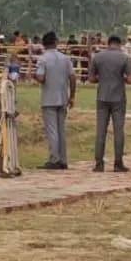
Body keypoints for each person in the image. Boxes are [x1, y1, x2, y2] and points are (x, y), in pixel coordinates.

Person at [89, 35, 131, 172]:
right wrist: (122, 78)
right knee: (118, 131)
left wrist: (101, 78)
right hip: (118, 97)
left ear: (108, 44)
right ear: (119, 44)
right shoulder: (124, 58)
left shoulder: (97, 57)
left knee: (100, 131)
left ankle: (99, 163)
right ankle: (118, 162)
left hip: (102, 96)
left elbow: (91, 79)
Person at [34, 31, 76, 170]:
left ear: (44, 44)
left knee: (52, 130)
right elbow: (72, 77)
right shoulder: (65, 58)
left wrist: (33, 75)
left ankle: (54, 159)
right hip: (63, 97)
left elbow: (40, 78)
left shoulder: (43, 59)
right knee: (61, 130)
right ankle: (63, 159)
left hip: (48, 98)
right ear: (56, 42)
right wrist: (72, 96)